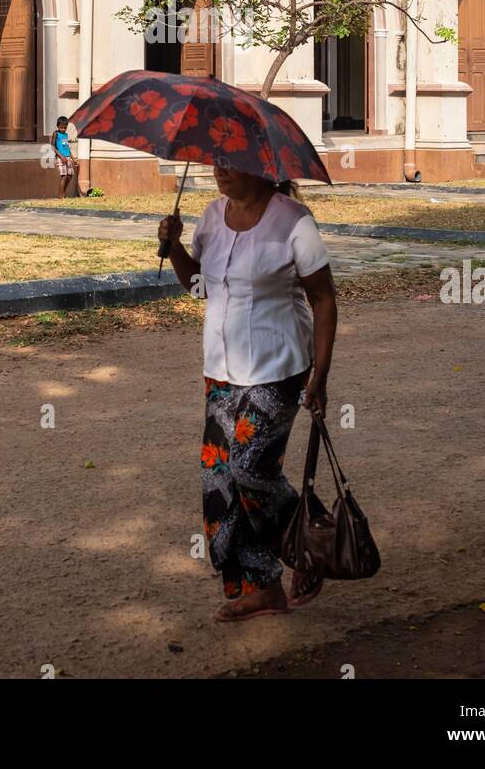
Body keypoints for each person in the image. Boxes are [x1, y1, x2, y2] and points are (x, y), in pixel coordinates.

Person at [158, 162, 338, 623]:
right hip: (219, 370)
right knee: (220, 480)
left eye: (231, 163)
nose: (220, 171)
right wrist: (174, 246)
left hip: (278, 368)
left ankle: (310, 545)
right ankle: (261, 587)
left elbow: (323, 298)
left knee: (250, 467)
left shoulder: (293, 221)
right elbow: (200, 286)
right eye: (215, 161)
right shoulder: (211, 218)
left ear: (262, 168)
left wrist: (321, 373)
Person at [51, 116, 75, 198]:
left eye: (65, 127)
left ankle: (63, 192)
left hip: (67, 157)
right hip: (60, 158)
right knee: (64, 176)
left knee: (70, 176)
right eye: (61, 127)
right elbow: (53, 146)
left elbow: (67, 147)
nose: (63, 129)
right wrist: (61, 156)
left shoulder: (66, 135)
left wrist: (73, 158)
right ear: (57, 126)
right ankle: (61, 196)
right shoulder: (56, 134)